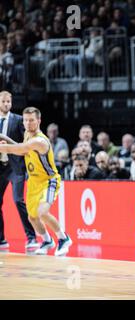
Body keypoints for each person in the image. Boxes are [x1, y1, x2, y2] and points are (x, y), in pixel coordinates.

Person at [0, 107, 72, 256]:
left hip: (48, 180)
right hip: (33, 181)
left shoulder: (40, 141)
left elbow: (20, 149)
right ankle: (47, 240)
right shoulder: (27, 134)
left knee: (43, 212)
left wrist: (4, 146)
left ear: (39, 121)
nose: (28, 123)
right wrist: (4, 138)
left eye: (31, 120)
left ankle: (63, 238)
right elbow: (22, 148)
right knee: (32, 217)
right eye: (25, 120)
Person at [0, 91, 39, 250]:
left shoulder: (18, 120)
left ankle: (31, 238)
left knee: (18, 200)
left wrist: (6, 142)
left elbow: (25, 144)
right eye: (3, 102)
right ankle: (1, 240)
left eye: (9, 102)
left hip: (15, 167)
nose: (6, 104)